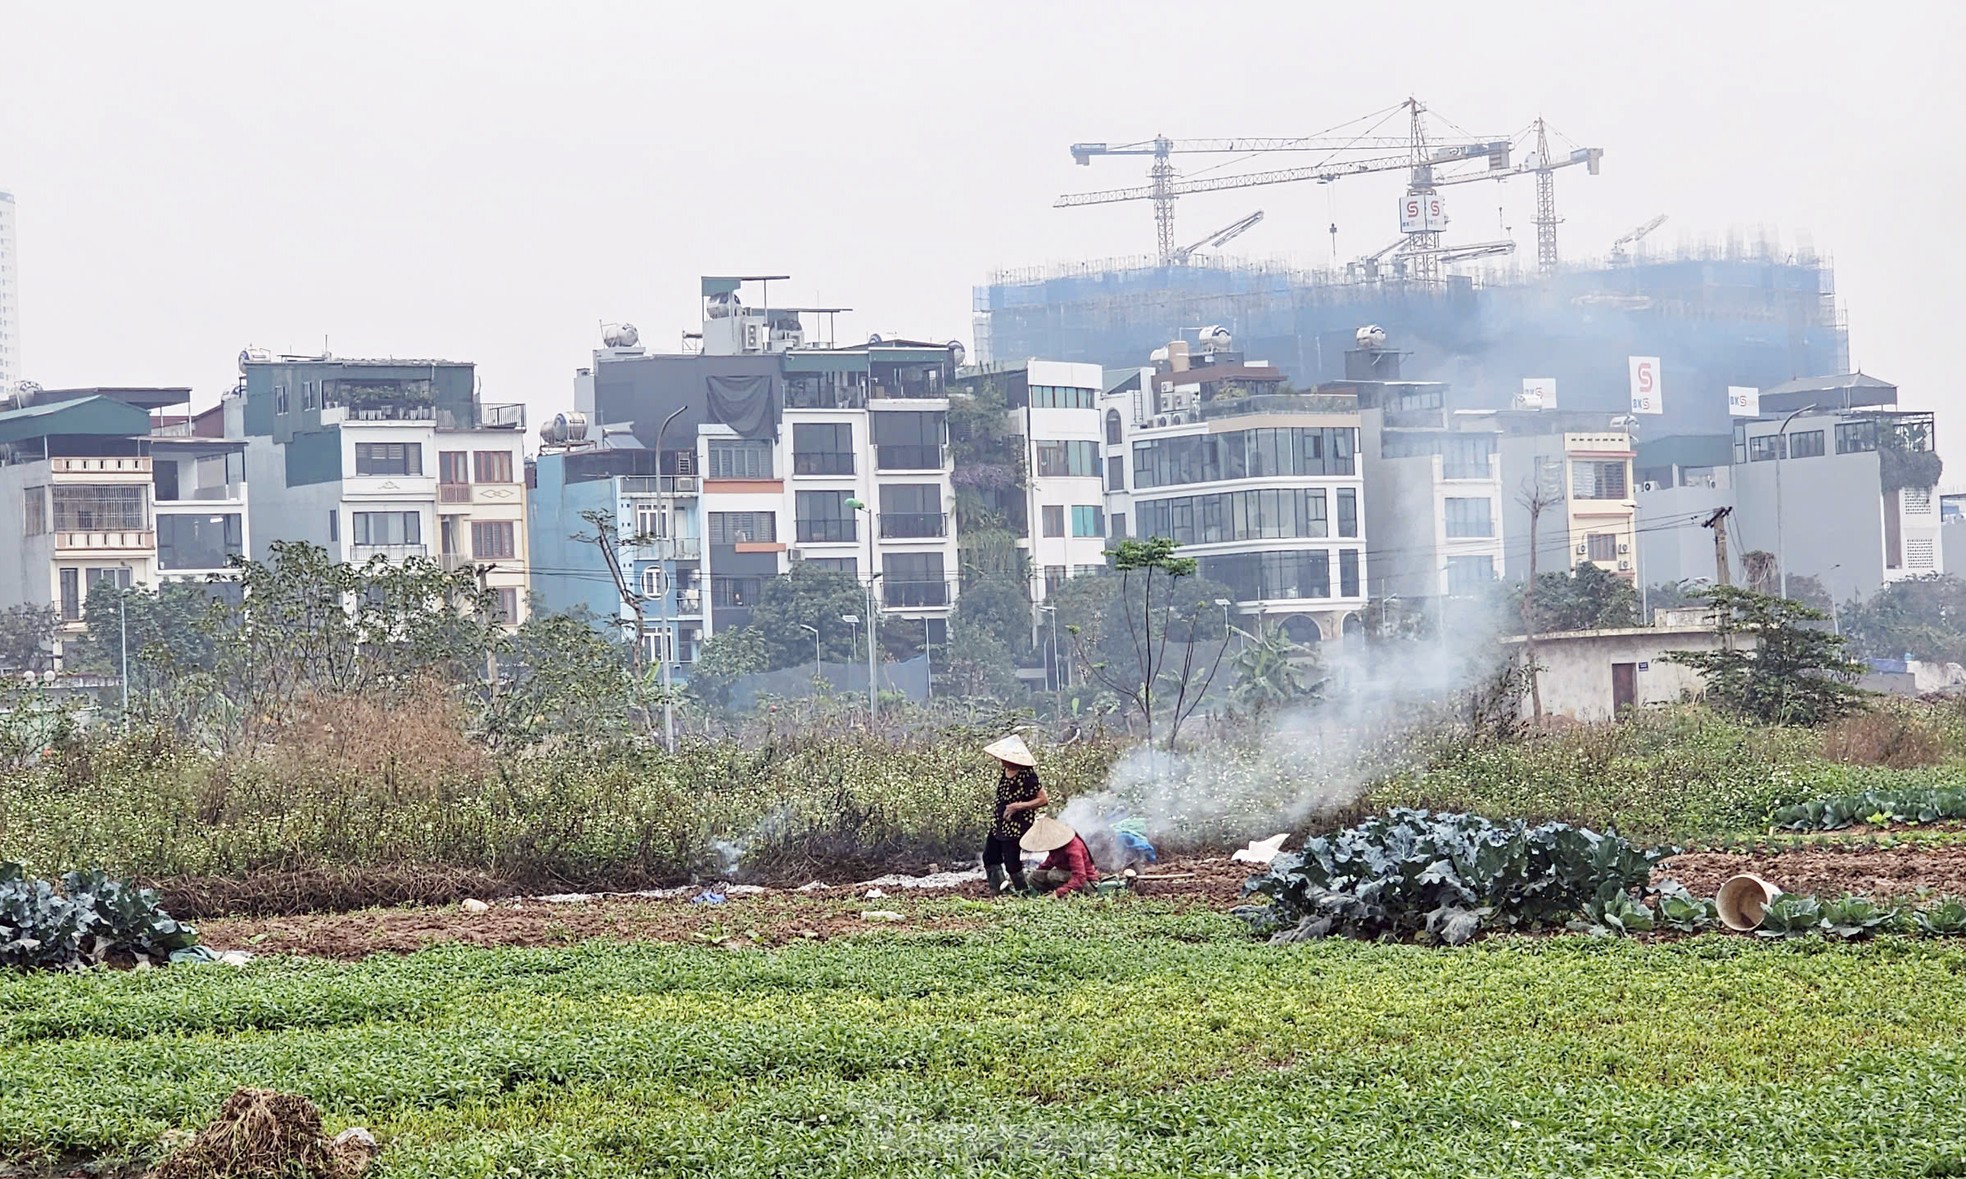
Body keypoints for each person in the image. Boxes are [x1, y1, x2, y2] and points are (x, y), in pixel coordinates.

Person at [981, 734, 1046, 896]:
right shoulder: (1006, 771)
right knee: (990, 856)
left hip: (1017, 825)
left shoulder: (1028, 776)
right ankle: (998, 890)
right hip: (1000, 823)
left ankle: (1023, 892)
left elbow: (1043, 800)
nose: (1001, 760)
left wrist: (1019, 806)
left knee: (1012, 861)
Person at [1021, 816, 1101, 899]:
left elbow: (1080, 877)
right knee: (1033, 876)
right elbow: (1049, 862)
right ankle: (1048, 895)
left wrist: (1058, 893)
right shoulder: (1056, 847)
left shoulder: (1073, 848)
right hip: (1066, 878)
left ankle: (1065, 895)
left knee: (1053, 875)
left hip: (1087, 884)